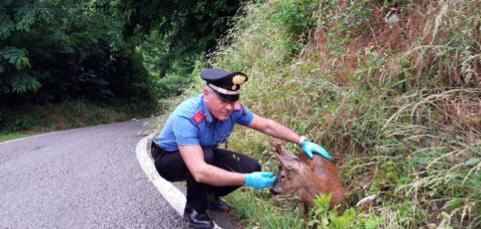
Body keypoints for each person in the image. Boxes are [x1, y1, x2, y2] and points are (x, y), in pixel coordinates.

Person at [151, 68, 332, 229]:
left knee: (251, 167)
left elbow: (266, 125)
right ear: (206, 94)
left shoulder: (233, 109)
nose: (229, 107)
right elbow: (199, 171)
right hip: (167, 159)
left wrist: (301, 141)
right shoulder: (188, 116)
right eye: (223, 100)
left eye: (233, 100)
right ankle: (194, 211)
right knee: (206, 158)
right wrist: (246, 180)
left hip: (205, 152)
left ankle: (210, 197)